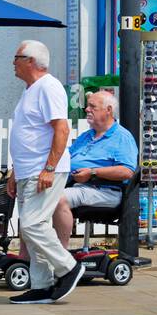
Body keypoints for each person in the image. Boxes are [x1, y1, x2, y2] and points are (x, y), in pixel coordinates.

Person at [5, 40, 82, 304]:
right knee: (32, 229)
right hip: (29, 171)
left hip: (44, 171)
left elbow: (61, 130)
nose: (12, 62)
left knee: (32, 224)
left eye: (16, 57)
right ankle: (41, 286)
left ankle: (68, 267)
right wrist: (16, 171)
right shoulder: (31, 90)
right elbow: (29, 135)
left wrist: (49, 168)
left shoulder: (49, 87)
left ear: (30, 61)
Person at [20, 89, 137, 257]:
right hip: (78, 186)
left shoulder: (122, 137)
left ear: (108, 110)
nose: (87, 110)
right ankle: (27, 255)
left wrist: (93, 172)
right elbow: (65, 157)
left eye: (92, 106)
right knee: (32, 195)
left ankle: (61, 255)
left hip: (104, 190)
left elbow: (126, 171)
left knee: (60, 199)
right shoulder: (86, 136)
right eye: (87, 106)